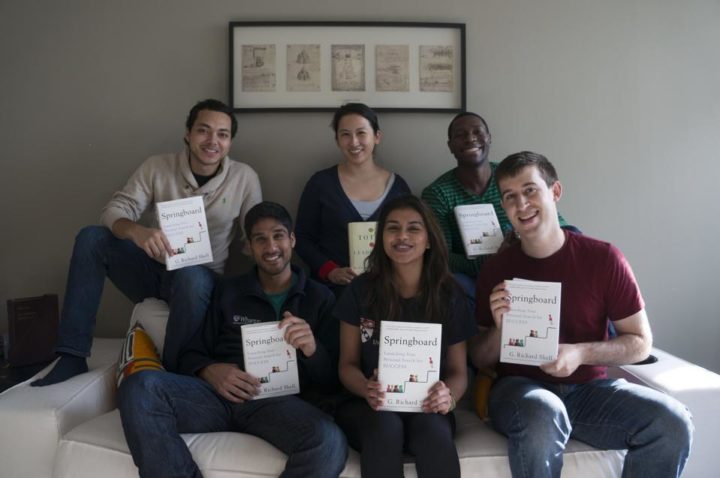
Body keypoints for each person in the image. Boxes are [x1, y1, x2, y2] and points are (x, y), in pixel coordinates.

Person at [470, 151, 693, 478]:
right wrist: (499, 331)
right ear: (503, 207)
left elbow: (640, 343)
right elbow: (478, 357)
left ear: (555, 192)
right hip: (519, 391)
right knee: (544, 412)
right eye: (510, 197)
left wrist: (580, 353)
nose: (521, 204)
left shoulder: (604, 259)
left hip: (589, 392)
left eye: (530, 190)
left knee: (671, 422)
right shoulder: (496, 270)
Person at [33, 99, 262, 385]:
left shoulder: (244, 177)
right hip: (153, 271)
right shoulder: (157, 166)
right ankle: (71, 355)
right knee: (91, 237)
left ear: (230, 142)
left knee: (192, 275)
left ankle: (178, 372)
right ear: (188, 134)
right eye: (203, 131)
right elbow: (113, 211)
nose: (212, 141)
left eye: (223, 134)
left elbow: (255, 238)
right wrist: (137, 232)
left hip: (201, 282)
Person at [117, 201, 347, 478]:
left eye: (278, 236)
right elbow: (191, 352)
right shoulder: (228, 291)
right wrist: (209, 370)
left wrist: (312, 349)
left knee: (329, 440)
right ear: (249, 247)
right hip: (215, 398)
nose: (271, 247)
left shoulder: (320, 298)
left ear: (292, 240)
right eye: (260, 239)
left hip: (277, 405)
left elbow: (331, 381)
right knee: (140, 386)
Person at [334, 195, 476, 478]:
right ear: (381, 238)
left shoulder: (450, 295)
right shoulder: (361, 290)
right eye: (392, 228)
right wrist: (365, 388)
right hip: (370, 406)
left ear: (429, 240)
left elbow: (459, 371)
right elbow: (346, 365)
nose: (402, 236)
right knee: (385, 426)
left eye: (413, 228)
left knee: (433, 431)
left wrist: (448, 397)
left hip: (427, 406)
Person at [421, 112, 574, 296]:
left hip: (528, 260)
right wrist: (496, 259)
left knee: (573, 245)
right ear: (450, 146)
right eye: (460, 135)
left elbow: (559, 225)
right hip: (471, 278)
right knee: (454, 286)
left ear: (489, 138)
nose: (470, 138)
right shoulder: (438, 193)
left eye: (477, 132)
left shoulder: (511, 177)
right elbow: (440, 255)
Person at [295, 103, 411, 293]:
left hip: (387, 290)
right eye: (345, 134)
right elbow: (302, 237)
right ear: (337, 140)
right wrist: (330, 271)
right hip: (332, 291)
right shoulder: (320, 184)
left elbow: (410, 239)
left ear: (377, 137)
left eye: (361, 133)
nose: (354, 142)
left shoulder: (398, 187)